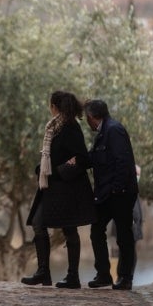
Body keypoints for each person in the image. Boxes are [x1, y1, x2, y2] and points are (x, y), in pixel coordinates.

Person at [21, 91, 96, 289]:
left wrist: (58, 170)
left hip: (67, 188)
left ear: (55, 106)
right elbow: (56, 155)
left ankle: (72, 277)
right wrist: (43, 169)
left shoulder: (70, 127)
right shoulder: (54, 127)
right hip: (52, 186)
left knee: (69, 229)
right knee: (38, 223)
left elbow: (83, 158)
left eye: (50, 105)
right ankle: (43, 272)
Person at [84, 99, 139, 291]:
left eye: (86, 118)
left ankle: (125, 278)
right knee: (96, 230)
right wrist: (75, 161)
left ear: (91, 117)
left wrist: (116, 189)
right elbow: (93, 158)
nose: (86, 122)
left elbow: (122, 162)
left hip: (119, 193)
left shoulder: (114, 130)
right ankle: (104, 275)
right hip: (107, 193)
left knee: (123, 235)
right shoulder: (102, 133)